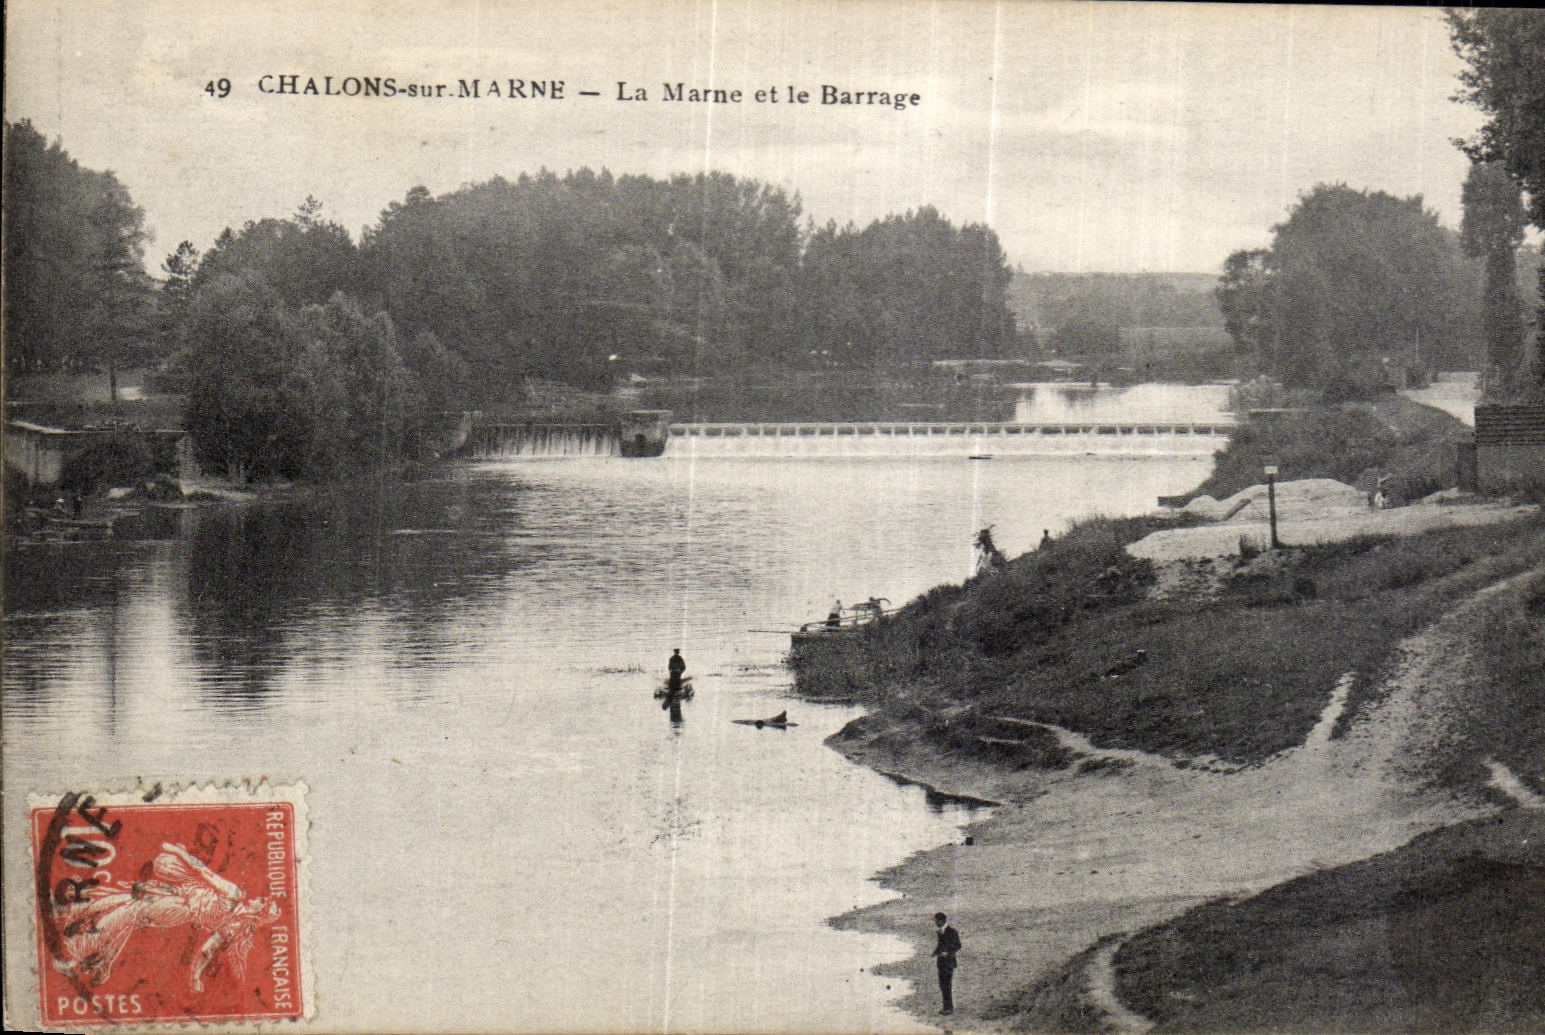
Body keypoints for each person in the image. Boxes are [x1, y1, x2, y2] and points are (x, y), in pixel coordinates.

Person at [932, 911, 961, 1015]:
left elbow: (958, 946)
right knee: (942, 985)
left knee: (947, 985)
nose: (935, 923)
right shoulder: (939, 932)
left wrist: (947, 952)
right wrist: (935, 953)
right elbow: (940, 945)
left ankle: (949, 1008)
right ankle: (946, 1007)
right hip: (941, 963)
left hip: (949, 963)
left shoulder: (952, 932)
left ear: (942, 921)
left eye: (937, 921)